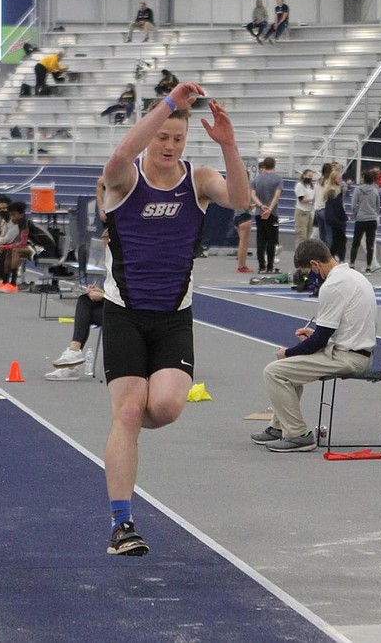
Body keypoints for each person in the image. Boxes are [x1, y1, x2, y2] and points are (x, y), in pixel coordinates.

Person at [100, 81, 249, 555]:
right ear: (150, 135)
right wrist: (168, 103)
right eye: (162, 136)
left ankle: (128, 427)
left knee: (163, 408)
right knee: (127, 411)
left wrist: (228, 144)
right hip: (124, 310)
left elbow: (241, 200)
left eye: (177, 139)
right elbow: (123, 150)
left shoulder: (198, 180)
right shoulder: (123, 180)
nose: (168, 146)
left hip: (173, 316)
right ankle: (122, 524)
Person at [252, 239, 376, 452]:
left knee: (274, 371)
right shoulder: (353, 276)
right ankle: (279, 427)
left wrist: (287, 353)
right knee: (289, 370)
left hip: (350, 358)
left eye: (309, 272)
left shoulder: (334, 285)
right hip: (355, 351)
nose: (311, 278)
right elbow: (338, 330)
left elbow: (317, 342)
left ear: (316, 264)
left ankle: (298, 435)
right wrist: (315, 335)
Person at [0, 201, 57, 293]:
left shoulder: (25, 223)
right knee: (9, 250)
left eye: (14, 215)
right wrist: (3, 246)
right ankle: (5, 282)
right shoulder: (21, 222)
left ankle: (13, 284)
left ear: (21, 214)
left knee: (15, 251)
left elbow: (22, 244)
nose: (12, 218)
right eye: (11, 215)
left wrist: (6, 246)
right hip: (37, 247)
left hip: (47, 250)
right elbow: (17, 241)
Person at [45, 285, 105, 381]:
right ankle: (73, 354)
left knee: (86, 313)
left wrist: (103, 295)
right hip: (112, 305)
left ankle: (72, 361)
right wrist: (98, 291)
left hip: (128, 311)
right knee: (84, 300)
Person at [250, 156, 282, 273]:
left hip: (259, 213)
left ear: (264, 166)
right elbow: (277, 195)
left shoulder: (257, 179)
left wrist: (261, 205)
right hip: (272, 214)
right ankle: (269, 266)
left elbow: (252, 195)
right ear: (274, 165)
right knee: (271, 241)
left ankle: (261, 266)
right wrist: (269, 209)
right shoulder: (278, 179)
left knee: (261, 239)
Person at [349, 170, 381, 273]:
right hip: (372, 219)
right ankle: (368, 267)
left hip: (361, 219)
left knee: (356, 243)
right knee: (370, 243)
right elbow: (377, 205)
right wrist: (374, 214)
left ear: (364, 178)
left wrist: (356, 214)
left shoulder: (358, 190)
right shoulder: (375, 190)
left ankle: (352, 264)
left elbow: (353, 205)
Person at [324, 169, 347, 262]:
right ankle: (339, 258)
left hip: (332, 218)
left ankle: (333, 257)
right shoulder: (334, 191)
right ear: (334, 179)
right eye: (338, 179)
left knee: (336, 239)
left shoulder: (332, 189)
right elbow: (338, 207)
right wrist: (344, 217)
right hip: (336, 219)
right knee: (340, 239)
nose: (340, 180)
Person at [312, 162, 332, 246]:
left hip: (317, 209)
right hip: (325, 209)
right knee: (329, 235)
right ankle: (328, 255)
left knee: (321, 235)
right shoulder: (329, 182)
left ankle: (321, 253)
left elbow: (314, 196)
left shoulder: (318, 181)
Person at [294, 169, 315, 245]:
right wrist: (312, 200)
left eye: (311, 176)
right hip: (302, 211)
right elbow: (301, 199)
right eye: (309, 176)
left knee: (310, 234)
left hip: (310, 211)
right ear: (304, 176)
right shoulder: (300, 185)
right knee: (301, 234)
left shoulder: (312, 186)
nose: (310, 178)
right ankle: (299, 254)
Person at [232, 207, 253, 273]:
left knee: (242, 243)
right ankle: (241, 266)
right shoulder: (244, 197)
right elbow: (247, 206)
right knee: (244, 244)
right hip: (244, 217)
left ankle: (242, 264)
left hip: (236, 216)